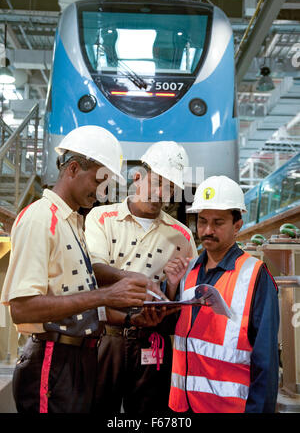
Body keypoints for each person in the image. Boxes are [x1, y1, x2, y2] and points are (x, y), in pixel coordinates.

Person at [0, 125, 149, 414]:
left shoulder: (73, 221)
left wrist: (127, 300)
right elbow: (21, 308)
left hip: (76, 361)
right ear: (72, 168)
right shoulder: (40, 219)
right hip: (51, 361)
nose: (102, 192)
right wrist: (105, 296)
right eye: (98, 180)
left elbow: (73, 291)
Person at [84, 141, 198, 415]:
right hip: (107, 338)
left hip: (154, 341)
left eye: (171, 188)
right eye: (157, 183)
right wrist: (139, 280)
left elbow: (184, 295)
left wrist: (172, 284)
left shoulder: (181, 235)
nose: (162, 194)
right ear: (138, 177)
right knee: (97, 406)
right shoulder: (101, 218)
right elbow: (93, 270)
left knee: (151, 413)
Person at [165, 175, 279, 413]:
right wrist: (171, 288)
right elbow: (173, 330)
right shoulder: (188, 272)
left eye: (218, 222)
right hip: (183, 406)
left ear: (237, 225)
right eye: (202, 221)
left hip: (227, 408)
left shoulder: (255, 276)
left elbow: (266, 361)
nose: (207, 230)